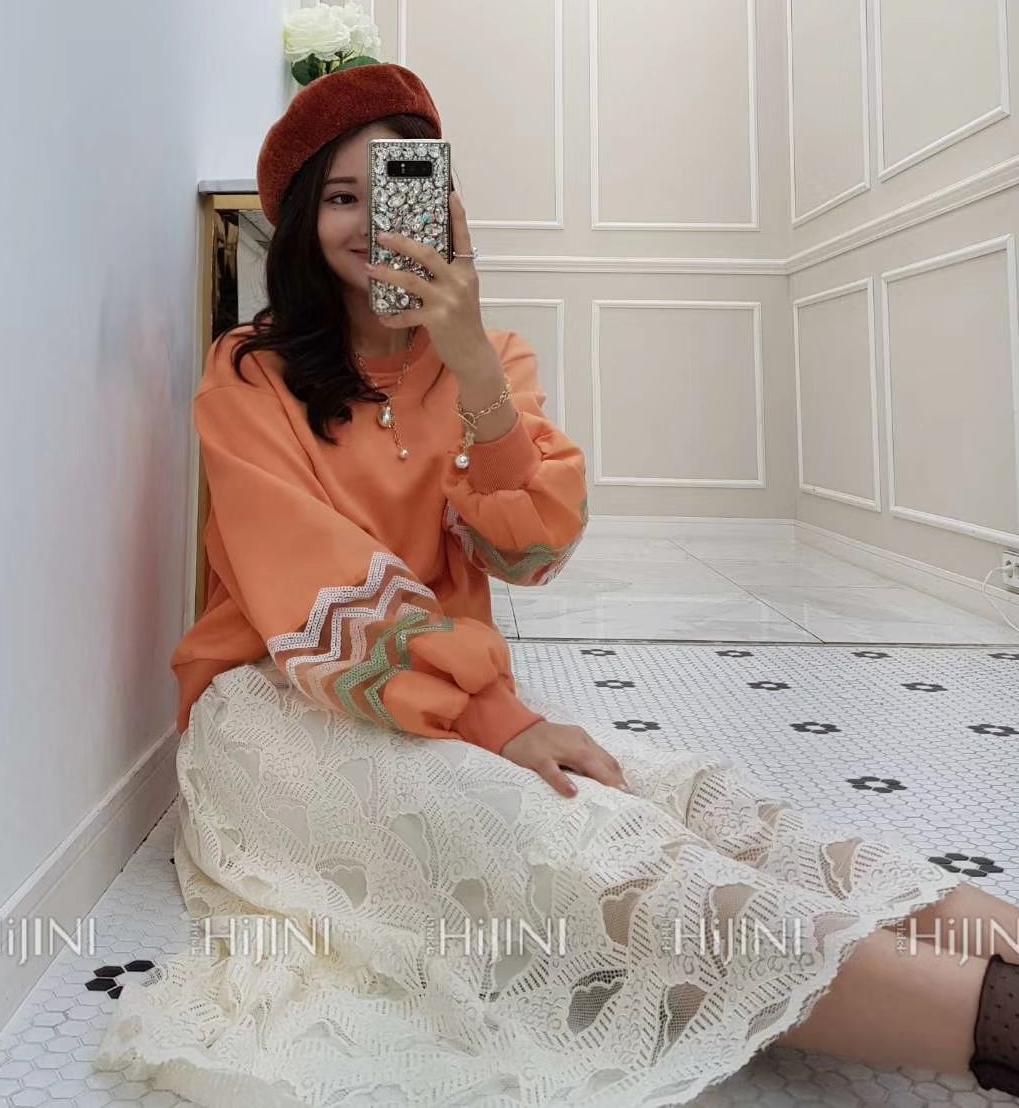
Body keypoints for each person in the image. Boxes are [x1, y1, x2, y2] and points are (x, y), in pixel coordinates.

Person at [97, 62, 1019, 1106]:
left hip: (441, 704)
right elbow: (315, 589)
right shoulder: (249, 372)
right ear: (303, 219)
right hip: (278, 707)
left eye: (391, 190)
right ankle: (992, 1028)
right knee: (579, 847)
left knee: (690, 802)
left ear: (441, 203)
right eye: (340, 197)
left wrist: (470, 366)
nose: (369, 222)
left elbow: (531, 550)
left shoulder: (489, 358)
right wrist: (498, 720)